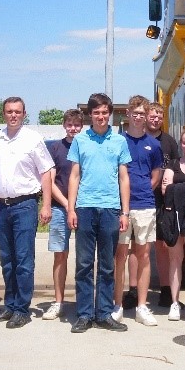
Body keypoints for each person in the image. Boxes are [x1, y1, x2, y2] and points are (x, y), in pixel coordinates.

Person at [67, 93, 131, 333]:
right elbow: (74, 176)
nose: (101, 117)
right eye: (96, 113)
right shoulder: (80, 140)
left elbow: (124, 178)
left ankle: (104, 313)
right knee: (84, 264)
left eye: (104, 112)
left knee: (107, 265)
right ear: (90, 115)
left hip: (111, 209)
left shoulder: (119, 141)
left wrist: (124, 212)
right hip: (85, 208)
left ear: (109, 113)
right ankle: (84, 314)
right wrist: (71, 208)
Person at [0, 96, 53, 329]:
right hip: (2, 205)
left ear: (24, 114)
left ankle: (23, 309)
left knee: (24, 259)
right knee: (7, 259)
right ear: (3, 114)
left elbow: (46, 172)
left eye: (17, 111)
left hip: (25, 205)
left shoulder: (33, 139)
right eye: (8, 111)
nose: (13, 115)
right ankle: (11, 304)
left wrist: (45, 205)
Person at [117, 95, 163, 326]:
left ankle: (142, 307)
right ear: (128, 114)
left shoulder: (154, 145)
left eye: (142, 114)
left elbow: (156, 176)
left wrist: (143, 190)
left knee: (143, 256)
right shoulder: (117, 142)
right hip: (120, 208)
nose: (138, 117)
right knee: (119, 256)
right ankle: (117, 305)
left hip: (145, 205)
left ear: (147, 116)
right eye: (134, 113)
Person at [43, 109, 84, 320]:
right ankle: (58, 301)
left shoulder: (86, 145)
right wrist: (67, 205)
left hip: (84, 208)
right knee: (60, 254)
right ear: (64, 125)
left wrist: (76, 206)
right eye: (70, 125)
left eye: (77, 125)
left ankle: (83, 301)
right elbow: (50, 180)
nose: (73, 129)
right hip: (61, 208)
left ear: (82, 126)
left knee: (85, 258)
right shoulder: (56, 148)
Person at [160, 123, 185, 321]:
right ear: (181, 144)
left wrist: (178, 188)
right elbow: (164, 189)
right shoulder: (173, 164)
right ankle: (174, 303)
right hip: (174, 217)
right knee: (175, 260)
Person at [147, 101, 180, 309]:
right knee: (136, 248)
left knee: (161, 246)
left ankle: (166, 290)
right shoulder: (136, 139)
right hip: (139, 199)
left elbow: (176, 167)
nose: (156, 119)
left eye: (160, 116)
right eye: (153, 115)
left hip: (162, 200)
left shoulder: (169, 142)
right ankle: (133, 291)